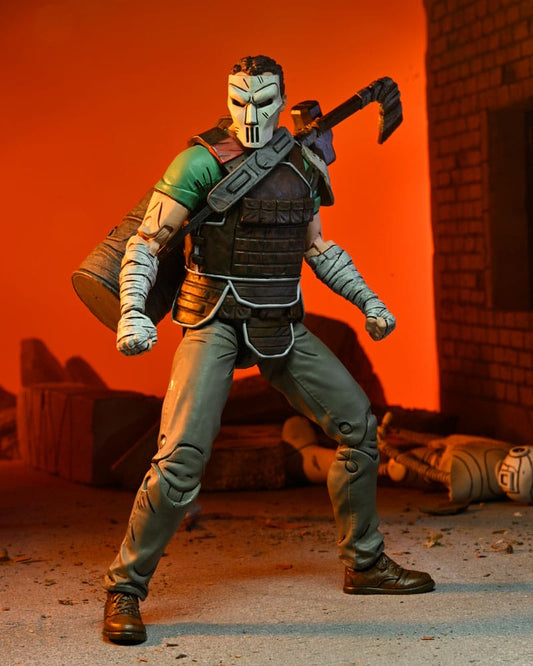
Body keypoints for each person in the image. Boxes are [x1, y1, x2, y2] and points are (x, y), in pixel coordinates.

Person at [102, 55, 435, 645]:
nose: (251, 112)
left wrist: (369, 300)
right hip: (213, 317)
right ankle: (125, 587)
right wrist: (132, 310)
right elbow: (147, 241)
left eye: (262, 100)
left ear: (283, 100)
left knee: (359, 427)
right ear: (228, 100)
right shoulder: (200, 161)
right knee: (180, 460)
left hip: (279, 320)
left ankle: (365, 563)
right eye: (240, 100)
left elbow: (318, 249)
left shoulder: (303, 162)